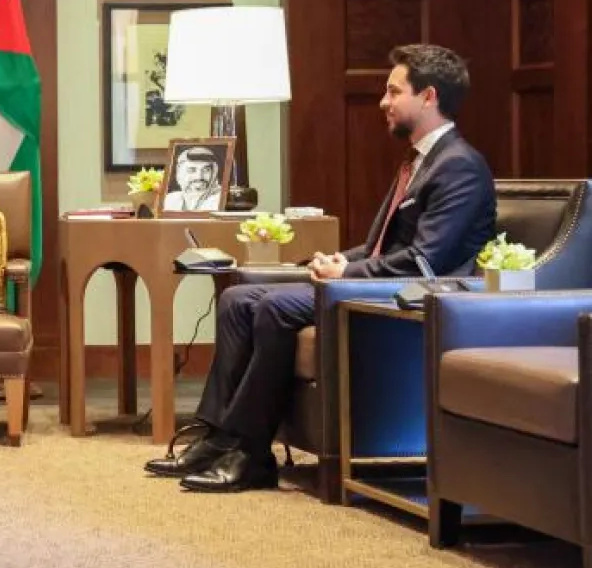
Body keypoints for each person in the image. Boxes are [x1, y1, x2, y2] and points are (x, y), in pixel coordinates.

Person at [144, 43, 496, 492]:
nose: (383, 103)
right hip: (382, 279)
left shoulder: (459, 166)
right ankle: (216, 437)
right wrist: (340, 260)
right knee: (236, 297)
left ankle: (250, 453)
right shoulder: (420, 159)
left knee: (273, 307)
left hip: (415, 292)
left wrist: (347, 276)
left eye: (393, 91)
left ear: (428, 97)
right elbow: (381, 245)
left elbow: (426, 259)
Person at [162, 146, 223, 211]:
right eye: (191, 170)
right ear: (179, 173)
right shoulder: (170, 200)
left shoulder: (219, 200)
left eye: (206, 170)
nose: (199, 177)